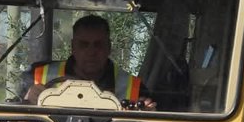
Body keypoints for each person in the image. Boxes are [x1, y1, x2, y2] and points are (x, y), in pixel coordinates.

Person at [23, 15, 154, 107]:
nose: (91, 52)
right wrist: (26, 103)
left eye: (98, 44)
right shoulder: (36, 76)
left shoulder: (135, 88)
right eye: (84, 44)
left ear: (109, 47)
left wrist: (147, 116)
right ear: (73, 47)